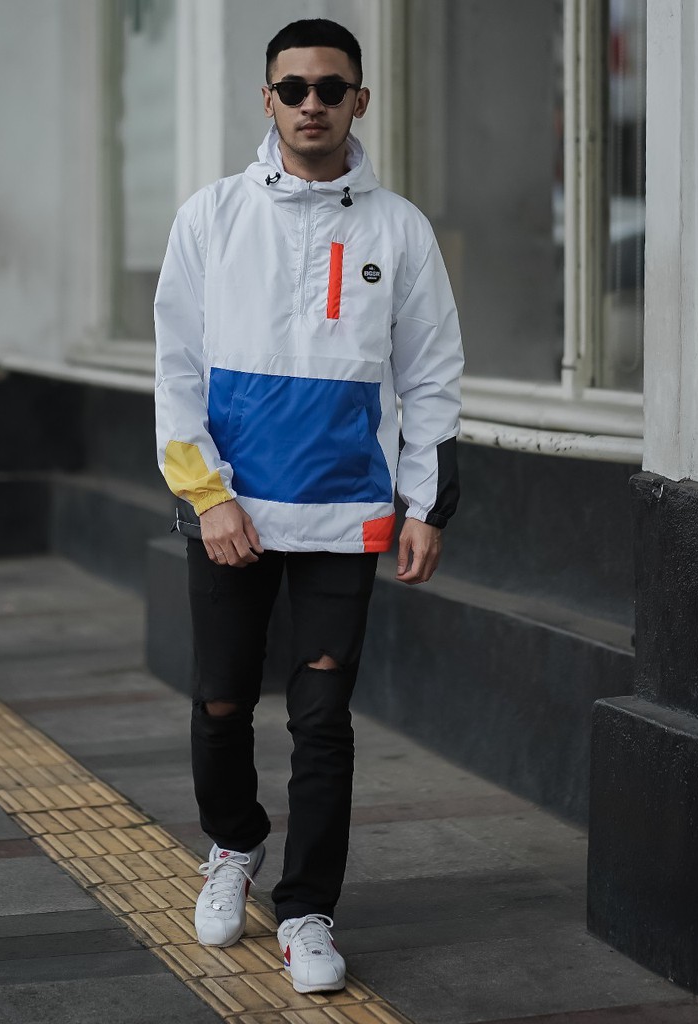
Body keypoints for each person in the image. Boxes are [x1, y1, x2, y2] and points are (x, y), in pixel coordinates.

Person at [153, 18, 463, 995]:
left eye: (332, 87)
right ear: (268, 100)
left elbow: (432, 377)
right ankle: (234, 841)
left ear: (360, 99)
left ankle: (307, 910)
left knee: (323, 719)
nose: (313, 104)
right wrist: (208, 498)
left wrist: (426, 505)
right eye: (294, 88)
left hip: (343, 514)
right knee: (220, 700)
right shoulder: (211, 216)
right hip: (231, 512)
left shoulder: (399, 229)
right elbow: (175, 373)